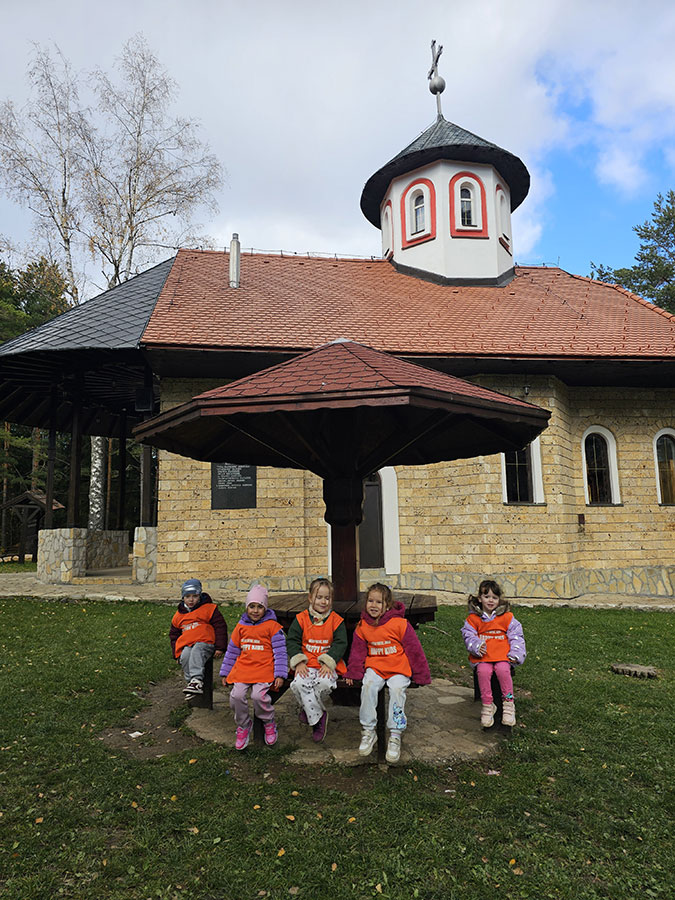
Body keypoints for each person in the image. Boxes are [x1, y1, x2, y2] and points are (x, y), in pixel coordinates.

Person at [345, 582, 431, 764]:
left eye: (379, 602)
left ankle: (395, 734)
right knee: (368, 686)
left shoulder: (400, 624)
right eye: (370, 601)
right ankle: (368, 731)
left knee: (397, 690)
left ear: (387, 605)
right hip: (375, 668)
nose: (374, 605)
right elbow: (357, 652)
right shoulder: (363, 626)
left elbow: (414, 650)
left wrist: (421, 674)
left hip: (398, 668)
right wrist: (353, 672)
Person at [219, 585, 288, 750]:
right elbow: (232, 651)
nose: (255, 611)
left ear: (265, 608)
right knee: (236, 696)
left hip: (264, 670)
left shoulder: (273, 627)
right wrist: (225, 672)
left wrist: (280, 674)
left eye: (259, 607)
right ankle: (243, 724)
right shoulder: (240, 627)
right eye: (252, 606)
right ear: (246, 607)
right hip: (243, 669)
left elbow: (280, 652)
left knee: (259, 696)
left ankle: (268, 721)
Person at [287, 577, 348, 743]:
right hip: (306, 664)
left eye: (327, 598)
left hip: (325, 666)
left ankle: (309, 710)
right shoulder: (301, 619)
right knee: (298, 684)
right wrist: (299, 661)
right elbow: (292, 641)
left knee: (324, 684)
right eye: (319, 597)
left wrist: (329, 662)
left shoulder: (336, 620)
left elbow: (340, 643)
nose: (323, 601)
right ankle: (319, 717)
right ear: (310, 598)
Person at [461, 579, 526, 728]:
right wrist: (476, 646)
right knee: (483, 672)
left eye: (494, 597)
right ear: (480, 598)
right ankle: (487, 704)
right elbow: (468, 635)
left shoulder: (507, 617)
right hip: (483, 657)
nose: (491, 600)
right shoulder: (473, 619)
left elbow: (516, 635)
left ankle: (508, 704)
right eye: (487, 596)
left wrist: (516, 653)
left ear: (499, 599)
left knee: (503, 670)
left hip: (503, 656)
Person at [169, 578, 227, 695]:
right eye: (187, 596)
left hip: (205, 642)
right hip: (188, 644)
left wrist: (220, 647)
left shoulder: (209, 609)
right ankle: (190, 683)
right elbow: (174, 635)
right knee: (185, 656)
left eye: (194, 596)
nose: (191, 600)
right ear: (183, 598)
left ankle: (197, 680)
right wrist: (176, 653)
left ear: (199, 596)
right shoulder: (178, 616)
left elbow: (220, 627)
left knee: (197, 651)